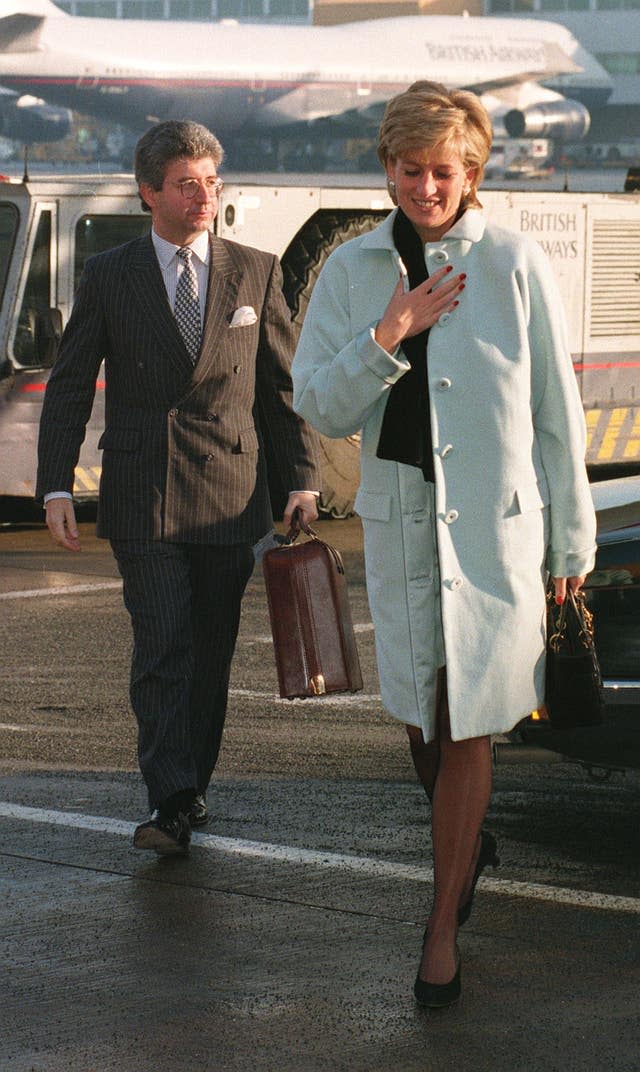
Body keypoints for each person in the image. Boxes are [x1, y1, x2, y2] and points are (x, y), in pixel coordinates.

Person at [291, 82, 596, 1008]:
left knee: (469, 718)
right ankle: (463, 850)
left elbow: (556, 415)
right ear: (388, 168)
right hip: (400, 520)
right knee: (423, 717)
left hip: (499, 531)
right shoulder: (350, 273)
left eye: (445, 171)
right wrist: (391, 332)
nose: (428, 186)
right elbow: (318, 403)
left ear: (473, 173)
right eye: (412, 169)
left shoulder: (512, 260)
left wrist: (570, 547)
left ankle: (438, 927)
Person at [36, 119, 321, 857]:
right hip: (143, 492)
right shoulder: (109, 274)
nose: (204, 196)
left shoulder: (255, 271)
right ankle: (167, 799)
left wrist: (303, 481)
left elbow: (278, 389)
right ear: (149, 194)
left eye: (212, 183)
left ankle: (192, 785)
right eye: (187, 184)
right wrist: (55, 487)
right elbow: (69, 387)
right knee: (162, 643)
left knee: (209, 650)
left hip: (232, 492)